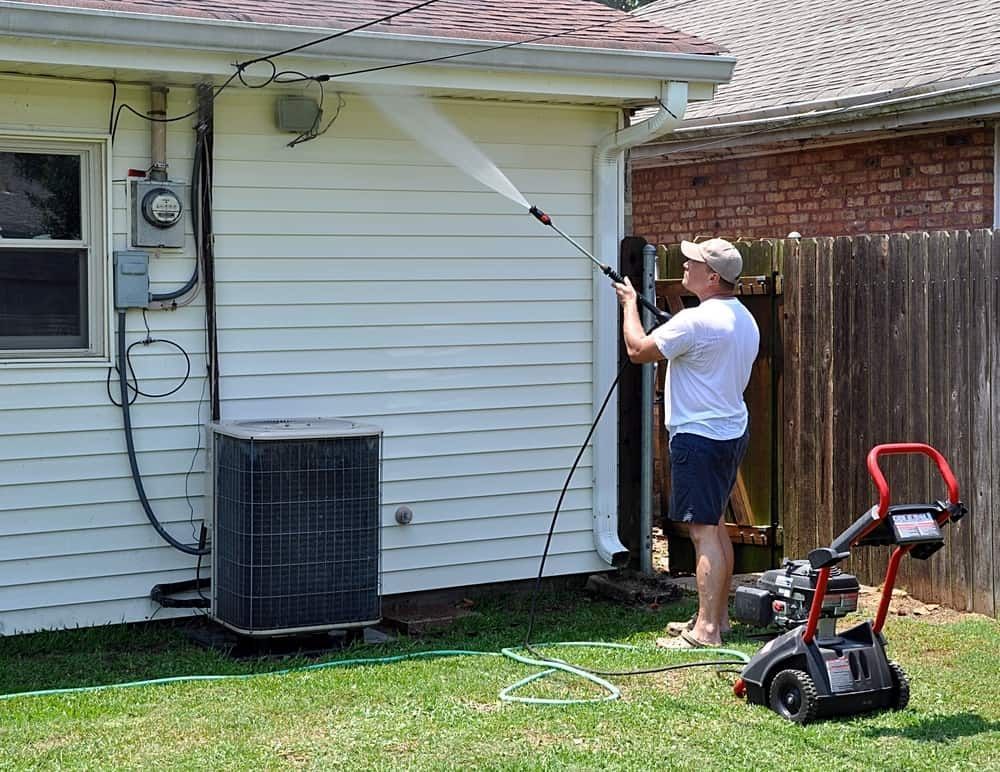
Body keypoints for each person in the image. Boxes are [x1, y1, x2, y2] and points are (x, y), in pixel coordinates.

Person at [614, 238, 759, 649]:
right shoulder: (744, 318)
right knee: (715, 526)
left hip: (699, 438)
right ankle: (718, 618)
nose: (685, 265)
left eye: (692, 262)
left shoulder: (695, 321)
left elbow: (638, 350)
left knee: (702, 534)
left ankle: (706, 632)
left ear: (712, 276)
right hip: (731, 433)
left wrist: (629, 303)